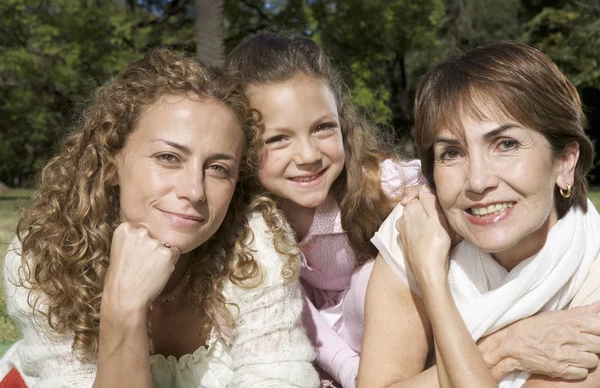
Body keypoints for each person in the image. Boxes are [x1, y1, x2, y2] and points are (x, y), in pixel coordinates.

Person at [0, 47, 320, 387]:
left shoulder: (255, 243)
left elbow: (281, 378)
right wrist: (124, 308)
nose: (194, 191)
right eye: (168, 157)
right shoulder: (45, 256)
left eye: (218, 168)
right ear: (110, 163)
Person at [359, 42, 600, 387]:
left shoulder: (592, 278)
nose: (477, 181)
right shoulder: (415, 236)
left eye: (506, 144)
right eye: (452, 152)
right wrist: (504, 349)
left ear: (564, 162)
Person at [225, 31, 423, 388]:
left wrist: (428, 199)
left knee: (375, 273)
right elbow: (294, 308)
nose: (309, 155)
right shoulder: (247, 221)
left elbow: (440, 178)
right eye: (278, 139)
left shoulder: (378, 184)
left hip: (390, 324)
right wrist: (348, 371)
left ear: (342, 123)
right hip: (313, 339)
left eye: (322, 128)